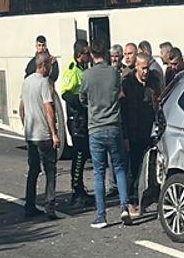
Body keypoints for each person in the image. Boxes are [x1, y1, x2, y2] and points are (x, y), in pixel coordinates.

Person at [81, 39, 131, 228]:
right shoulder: (114, 73)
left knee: (99, 172)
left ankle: (101, 216)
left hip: (96, 127)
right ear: (107, 54)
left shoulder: (87, 75)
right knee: (118, 168)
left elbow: (82, 98)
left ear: (92, 55)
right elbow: (119, 93)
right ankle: (124, 206)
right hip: (113, 125)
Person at [18, 53, 60, 220]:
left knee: (33, 170)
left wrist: (25, 125)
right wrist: (54, 133)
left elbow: (21, 107)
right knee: (50, 171)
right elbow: (49, 110)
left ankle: (29, 205)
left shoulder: (26, 82)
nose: (50, 69)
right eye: (49, 65)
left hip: (30, 134)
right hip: (43, 134)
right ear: (43, 66)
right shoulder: (43, 83)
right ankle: (50, 206)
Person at [121, 51, 162, 217]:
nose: (145, 72)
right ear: (136, 67)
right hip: (133, 132)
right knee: (133, 168)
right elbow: (123, 112)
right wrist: (125, 137)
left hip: (150, 131)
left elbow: (158, 102)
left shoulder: (154, 80)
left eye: (147, 68)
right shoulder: (128, 83)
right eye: (142, 68)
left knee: (151, 169)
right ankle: (131, 201)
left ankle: (146, 200)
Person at [59, 38, 94, 206]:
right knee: (79, 155)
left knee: (83, 153)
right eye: (87, 53)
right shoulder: (72, 70)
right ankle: (76, 192)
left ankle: (80, 189)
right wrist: (81, 103)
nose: (90, 56)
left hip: (83, 118)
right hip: (76, 119)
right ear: (80, 54)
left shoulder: (83, 68)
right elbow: (65, 93)